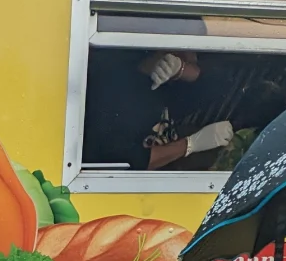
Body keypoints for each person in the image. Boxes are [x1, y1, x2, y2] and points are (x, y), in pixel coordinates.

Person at [82, 49, 235, 172]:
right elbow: (128, 160)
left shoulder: (167, 87)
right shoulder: (115, 92)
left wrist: (181, 69)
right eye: (190, 50)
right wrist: (190, 144)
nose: (194, 58)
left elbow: (219, 85)